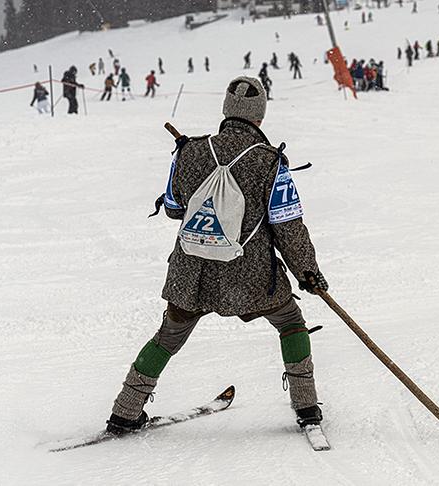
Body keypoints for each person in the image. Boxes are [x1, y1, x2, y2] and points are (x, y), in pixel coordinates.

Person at [105, 76, 329, 435]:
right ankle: (307, 409)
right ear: (259, 117)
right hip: (251, 275)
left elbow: (175, 208)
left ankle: (124, 411)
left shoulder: (190, 152)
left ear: (226, 110)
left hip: (190, 273)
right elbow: (288, 226)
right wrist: (308, 272)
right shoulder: (270, 162)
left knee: (167, 337)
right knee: (290, 323)